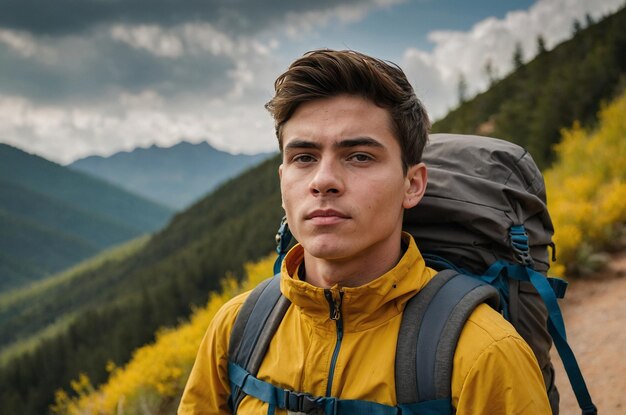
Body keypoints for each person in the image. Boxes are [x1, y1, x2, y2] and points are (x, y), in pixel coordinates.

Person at [178, 49, 551, 414]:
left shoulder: (484, 353)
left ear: (412, 184)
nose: (323, 181)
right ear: (282, 182)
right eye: (303, 158)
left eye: (359, 156)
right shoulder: (236, 329)